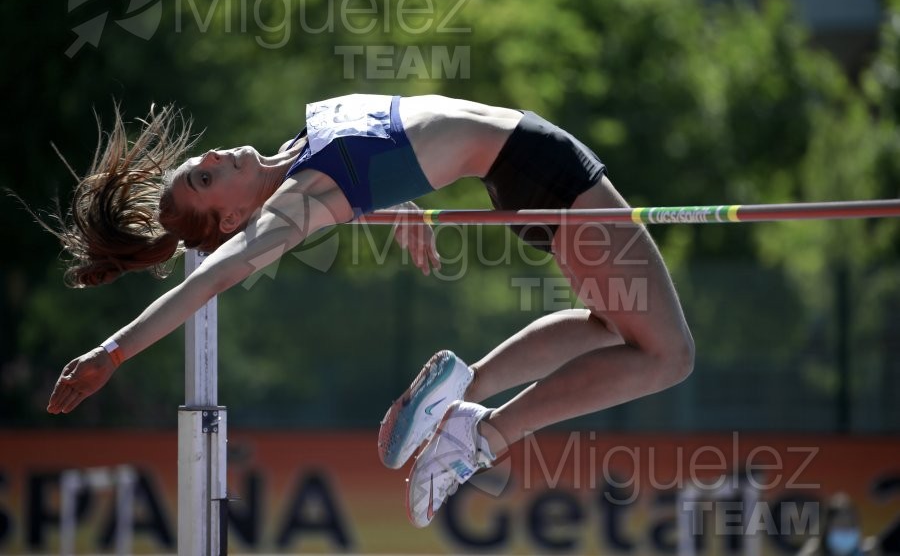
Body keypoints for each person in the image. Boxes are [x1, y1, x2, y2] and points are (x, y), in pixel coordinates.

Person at [36, 93, 694, 527]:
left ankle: (467, 395)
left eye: (197, 163)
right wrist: (112, 351)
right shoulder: (293, 199)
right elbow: (207, 281)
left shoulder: (308, 143)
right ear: (234, 217)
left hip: (524, 165)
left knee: (612, 325)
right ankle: (482, 431)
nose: (211, 158)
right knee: (667, 354)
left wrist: (388, 197)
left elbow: (388, 141)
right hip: (540, 162)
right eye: (205, 180)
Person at [797, 493, 881, 556]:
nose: (845, 530)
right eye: (840, 524)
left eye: (850, 524)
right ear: (827, 528)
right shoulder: (813, 552)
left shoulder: (868, 552)